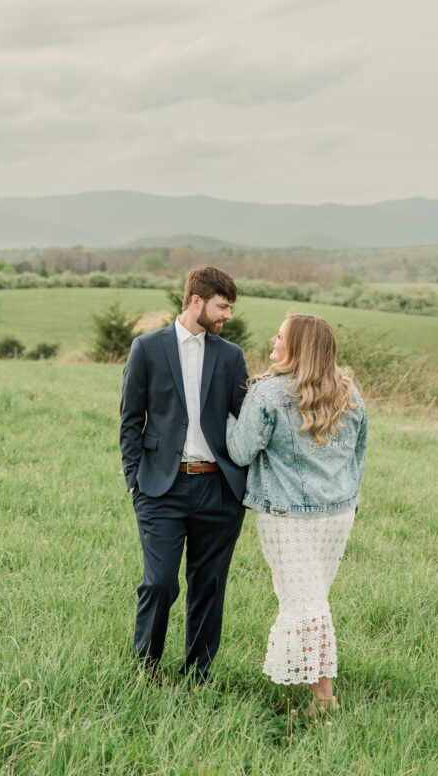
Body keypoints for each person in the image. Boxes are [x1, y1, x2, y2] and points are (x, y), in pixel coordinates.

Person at [226, 313, 367, 714]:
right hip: (338, 514)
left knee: (305, 603)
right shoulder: (349, 394)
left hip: (288, 516)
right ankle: (312, 686)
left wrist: (225, 417)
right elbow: (358, 453)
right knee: (311, 596)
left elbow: (239, 451)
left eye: (281, 335)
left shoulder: (267, 394)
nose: (273, 338)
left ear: (299, 348)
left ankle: (324, 702)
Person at [120, 265, 249, 683]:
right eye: (222, 306)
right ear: (197, 301)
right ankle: (145, 671)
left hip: (219, 489)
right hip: (161, 487)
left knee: (208, 587)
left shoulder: (231, 356)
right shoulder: (146, 348)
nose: (227, 315)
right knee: (159, 583)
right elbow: (129, 421)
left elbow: (246, 421)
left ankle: (198, 675)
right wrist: (135, 481)